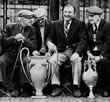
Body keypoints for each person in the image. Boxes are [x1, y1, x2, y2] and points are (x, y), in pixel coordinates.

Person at [46, 4, 87, 97]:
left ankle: (76, 87)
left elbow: (83, 41)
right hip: (61, 51)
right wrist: (49, 43)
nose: (67, 14)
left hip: (74, 50)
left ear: (74, 14)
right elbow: (49, 37)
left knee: (77, 61)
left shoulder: (80, 24)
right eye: (65, 12)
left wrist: (77, 53)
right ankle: (56, 86)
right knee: (52, 61)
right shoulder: (56, 24)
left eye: (69, 12)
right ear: (62, 12)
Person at [0, 10, 37, 96]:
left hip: (23, 53)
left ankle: (25, 87)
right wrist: (14, 38)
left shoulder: (32, 29)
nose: (32, 20)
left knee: (26, 61)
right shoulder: (9, 27)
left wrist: (24, 39)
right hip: (10, 53)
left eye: (32, 18)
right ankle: (1, 86)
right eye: (29, 18)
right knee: (1, 61)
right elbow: (3, 42)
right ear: (21, 19)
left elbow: (33, 45)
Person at [85, 6, 110, 97]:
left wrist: (101, 56)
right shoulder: (88, 25)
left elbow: (108, 43)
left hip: (104, 52)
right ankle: (88, 88)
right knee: (84, 61)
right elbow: (86, 41)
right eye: (88, 16)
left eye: (92, 16)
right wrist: (88, 53)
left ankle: (106, 88)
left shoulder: (106, 25)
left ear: (99, 16)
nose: (89, 18)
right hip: (92, 52)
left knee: (104, 62)